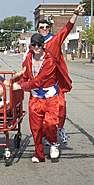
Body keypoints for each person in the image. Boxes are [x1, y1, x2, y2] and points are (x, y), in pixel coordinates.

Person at [16, 3, 85, 145]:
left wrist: (75, 14)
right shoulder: (33, 46)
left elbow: (67, 29)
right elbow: (27, 63)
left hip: (53, 83)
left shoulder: (54, 41)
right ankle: (43, 135)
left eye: (47, 27)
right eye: (41, 28)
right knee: (38, 113)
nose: (44, 30)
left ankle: (58, 129)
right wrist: (22, 73)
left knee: (61, 106)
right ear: (37, 29)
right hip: (37, 84)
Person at [13, 34, 72, 163]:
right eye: (33, 45)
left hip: (50, 97)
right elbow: (27, 75)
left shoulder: (50, 60)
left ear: (43, 45)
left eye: (39, 45)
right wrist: (20, 80)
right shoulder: (29, 57)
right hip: (35, 98)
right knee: (36, 128)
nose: (36, 47)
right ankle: (39, 154)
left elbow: (39, 81)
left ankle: (53, 143)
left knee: (50, 123)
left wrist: (20, 86)